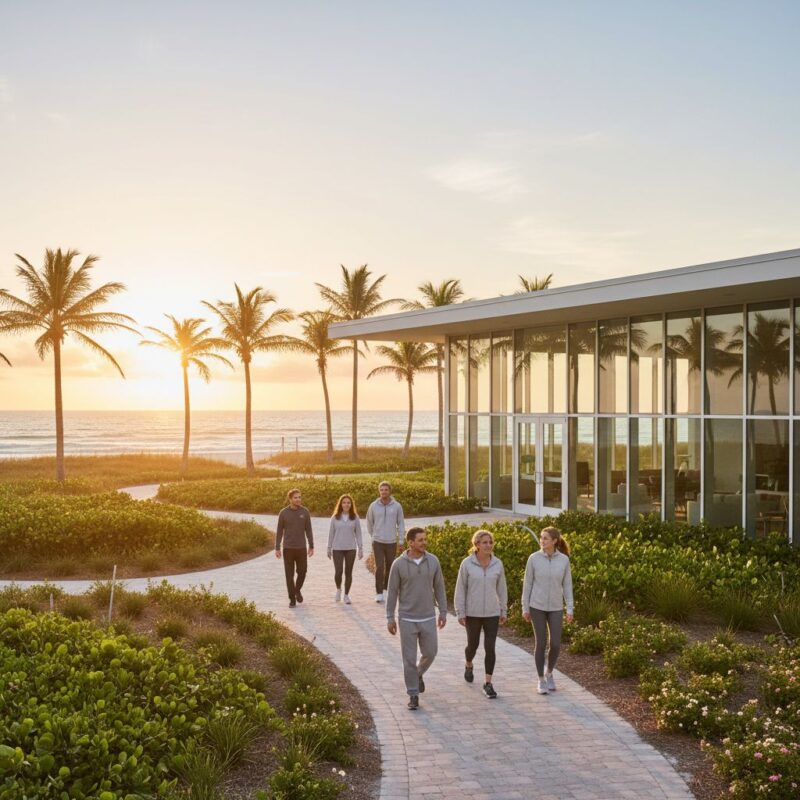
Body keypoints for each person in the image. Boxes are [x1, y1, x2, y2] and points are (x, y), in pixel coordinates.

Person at [386, 526, 447, 711]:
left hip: (428, 616)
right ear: (411, 542)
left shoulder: (433, 561)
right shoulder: (398, 564)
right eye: (420, 540)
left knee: (431, 652)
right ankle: (413, 694)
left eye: (425, 539)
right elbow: (392, 592)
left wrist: (443, 612)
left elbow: (440, 588)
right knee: (409, 659)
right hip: (407, 619)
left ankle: (417, 674)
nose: (424, 542)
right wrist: (390, 617)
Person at [454, 529, 508, 699]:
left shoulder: (497, 564)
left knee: (490, 647)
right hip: (473, 613)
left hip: (492, 612)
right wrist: (460, 612)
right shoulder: (467, 564)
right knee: (473, 646)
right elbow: (460, 589)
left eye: (490, 542)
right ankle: (469, 664)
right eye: (484, 542)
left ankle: (488, 683)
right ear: (476, 544)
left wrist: (503, 609)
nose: (488, 545)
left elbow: (502, 589)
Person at [522, 526, 574, 695]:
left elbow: (567, 585)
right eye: (541, 537)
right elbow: (527, 584)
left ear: (554, 541)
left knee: (556, 644)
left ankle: (549, 672)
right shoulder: (534, 558)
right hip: (536, 606)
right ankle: (540, 679)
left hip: (556, 607)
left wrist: (570, 609)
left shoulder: (564, 560)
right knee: (541, 643)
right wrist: (525, 607)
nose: (542, 541)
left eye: (545, 538)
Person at [275, 488, 314, 608]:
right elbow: (279, 531)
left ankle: (297, 590)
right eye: (296, 497)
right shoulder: (283, 513)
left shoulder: (305, 512)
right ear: (290, 499)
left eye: (299, 497)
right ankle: (292, 599)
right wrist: (277, 547)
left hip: (301, 548)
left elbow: (308, 530)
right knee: (289, 575)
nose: (298, 499)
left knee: (302, 572)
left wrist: (311, 545)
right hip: (288, 549)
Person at [366, 481, 405, 603]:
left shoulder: (397, 506)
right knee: (379, 566)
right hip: (377, 541)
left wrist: (401, 540)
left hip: (391, 541)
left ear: (390, 491)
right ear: (379, 491)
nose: (384, 492)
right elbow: (369, 522)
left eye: (386, 490)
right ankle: (378, 592)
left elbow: (401, 523)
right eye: (381, 490)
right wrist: (373, 536)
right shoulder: (373, 506)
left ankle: (386, 589)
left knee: (390, 566)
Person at [327, 494, 363, 604]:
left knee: (348, 572)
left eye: (348, 502)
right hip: (337, 548)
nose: (346, 504)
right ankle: (338, 589)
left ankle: (346, 595)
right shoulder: (335, 517)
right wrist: (329, 548)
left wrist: (360, 548)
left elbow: (359, 534)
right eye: (344, 502)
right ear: (340, 504)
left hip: (351, 548)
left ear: (351, 504)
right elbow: (331, 533)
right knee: (338, 572)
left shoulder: (355, 517)